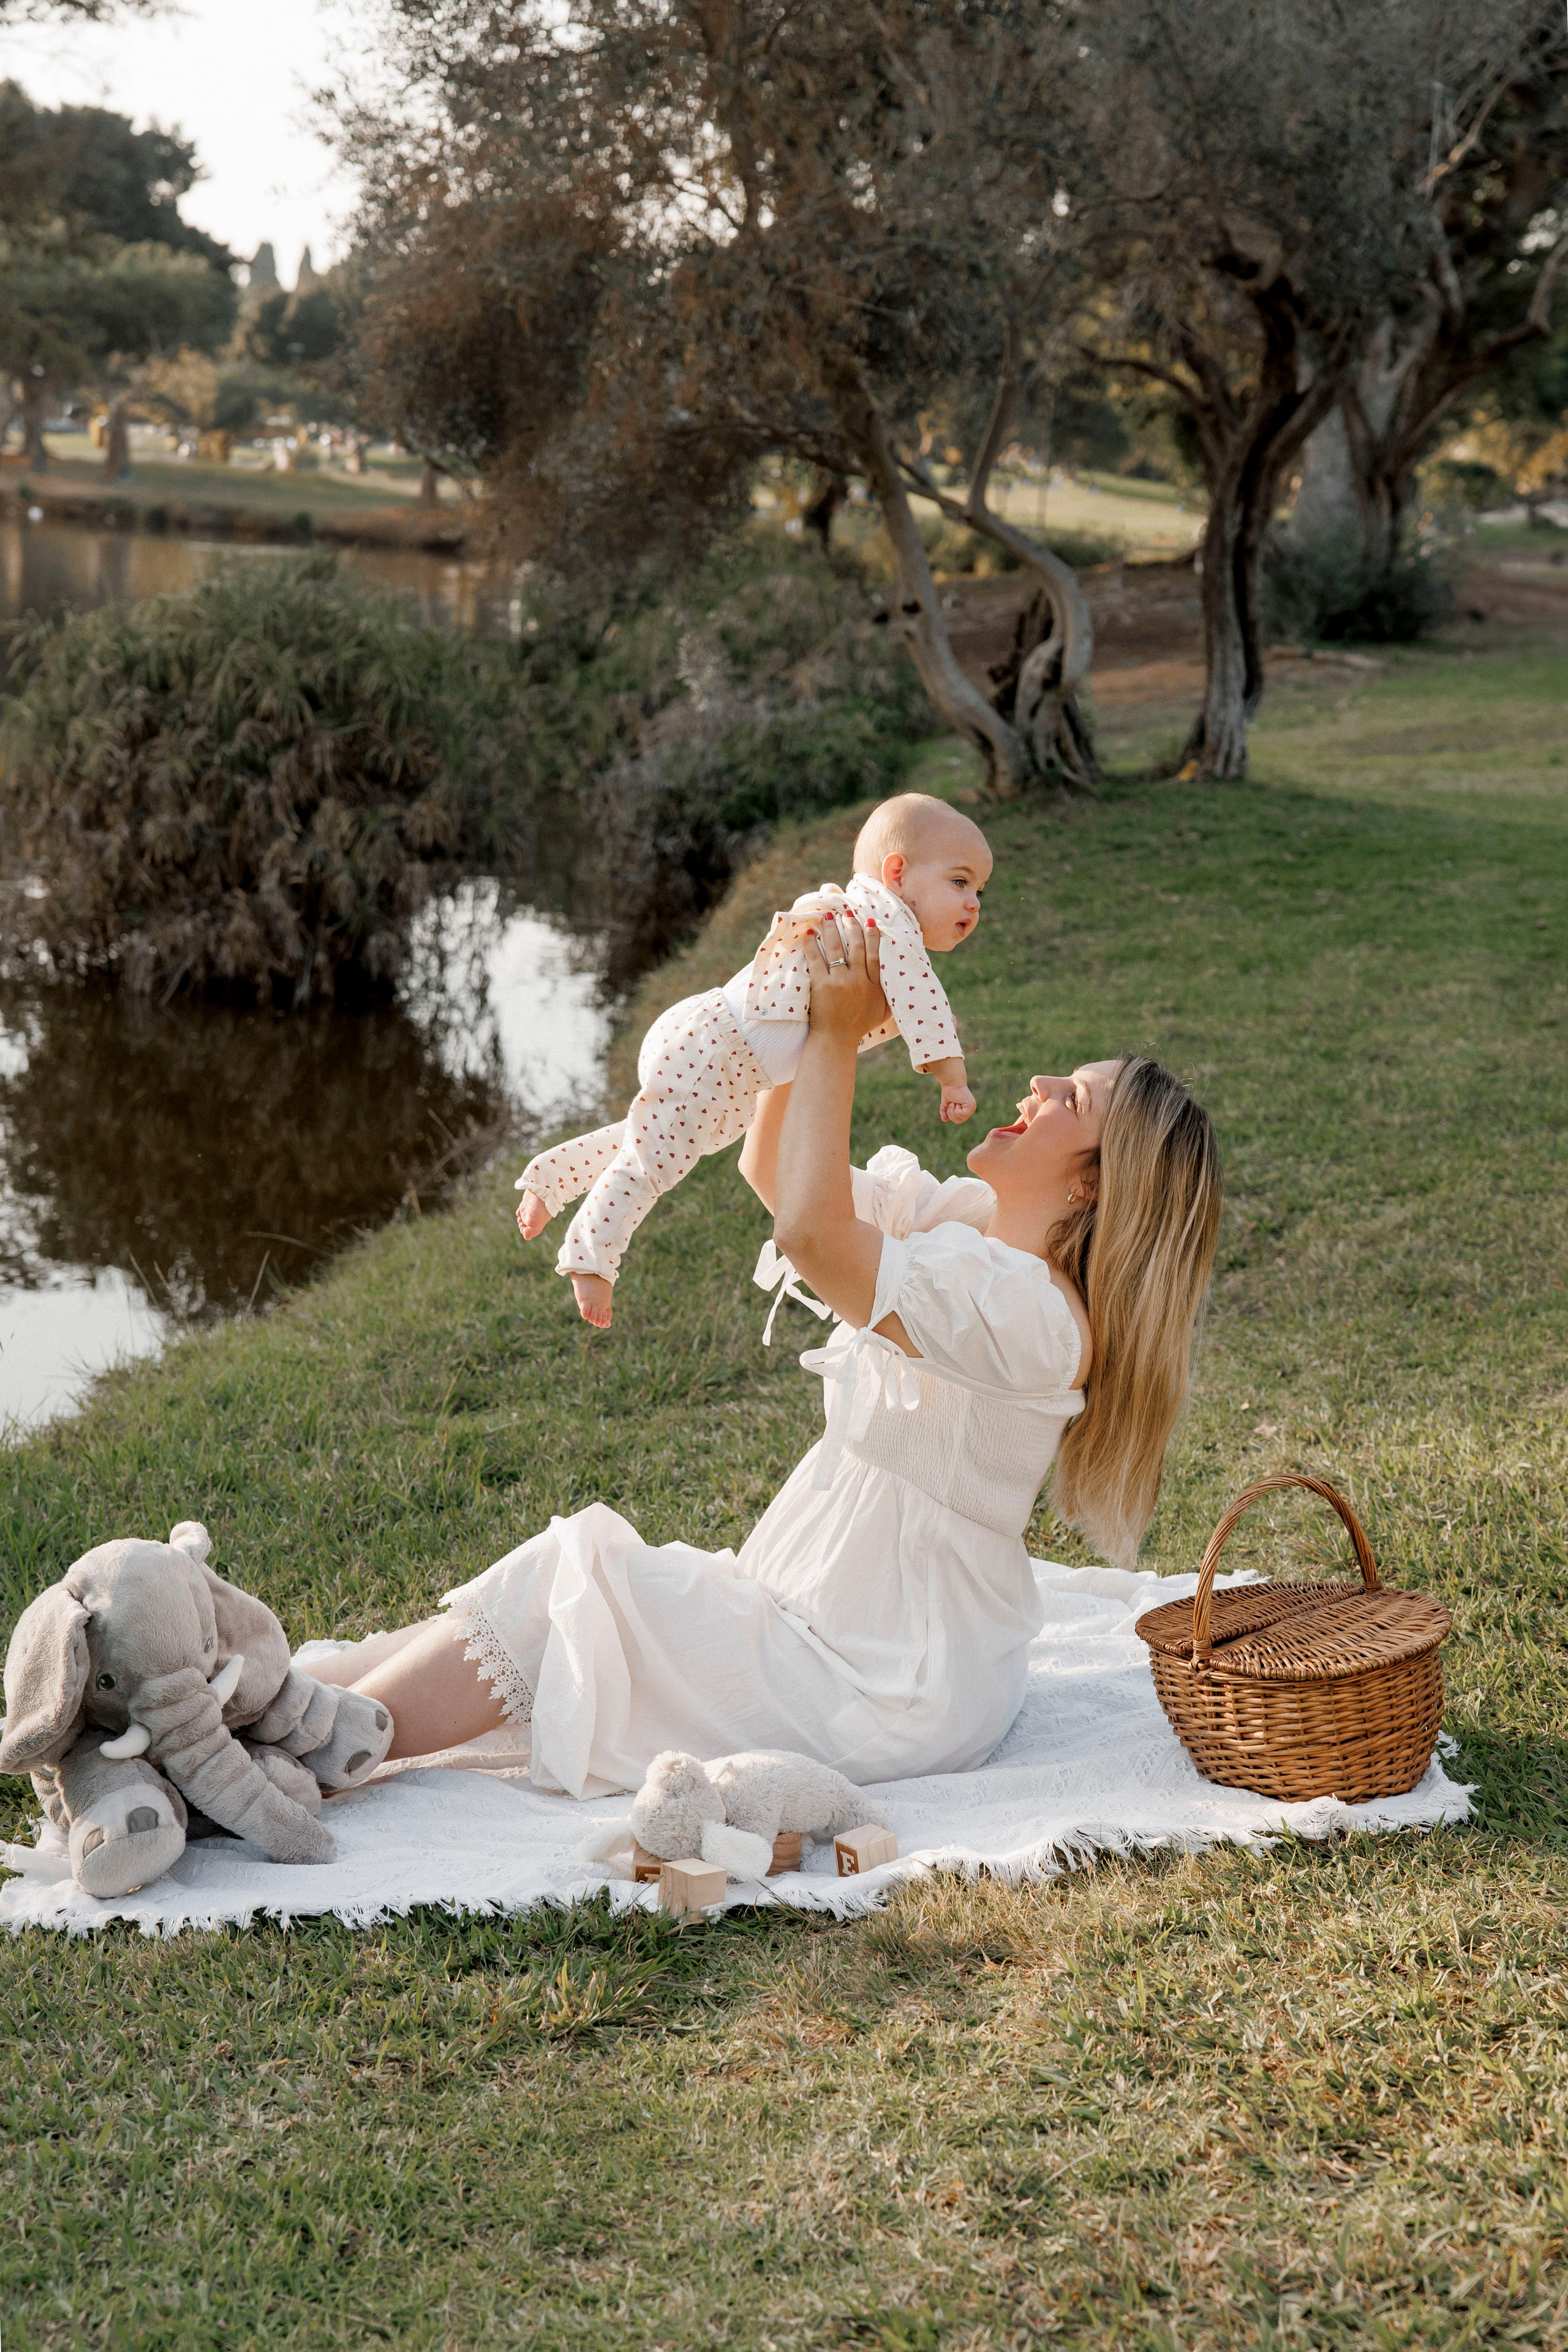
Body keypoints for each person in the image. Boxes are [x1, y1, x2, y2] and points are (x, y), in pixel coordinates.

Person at [311, 908, 1223, 1799]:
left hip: (883, 1679)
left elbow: (812, 1235)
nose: (1036, 1086)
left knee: (579, 1576)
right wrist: (788, 1022)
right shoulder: (971, 1224)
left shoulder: (1033, 1321)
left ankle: (305, 1756)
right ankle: (299, 1715)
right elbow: (774, 1169)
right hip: (821, 1616)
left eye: (1071, 1099)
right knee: (558, 1597)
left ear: (1095, 1181)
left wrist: (832, 1040)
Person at [514, 793, 990, 1329]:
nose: (974, 903)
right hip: (715, 1050)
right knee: (655, 1163)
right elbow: (925, 1004)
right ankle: (592, 1257)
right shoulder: (889, 926)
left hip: (721, 1059)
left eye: (979, 889)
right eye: (959, 882)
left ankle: (551, 1180)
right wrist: (953, 1080)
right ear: (897, 874)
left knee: (647, 1138)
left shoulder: (865, 917)